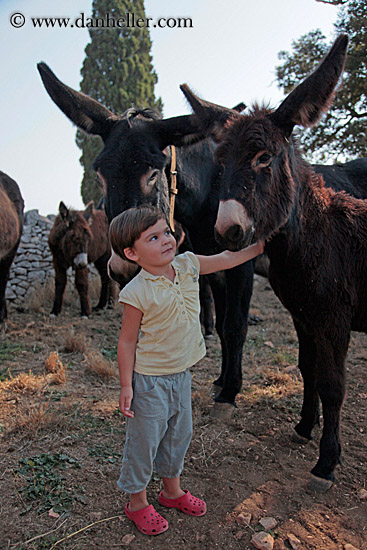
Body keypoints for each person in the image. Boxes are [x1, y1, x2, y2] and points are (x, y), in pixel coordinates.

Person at [109, 205, 264, 536]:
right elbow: (126, 343)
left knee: (179, 435)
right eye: (153, 237)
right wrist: (126, 386)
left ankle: (171, 491)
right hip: (149, 382)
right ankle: (137, 502)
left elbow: (224, 259)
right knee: (144, 442)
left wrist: (257, 247)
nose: (166, 240)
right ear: (131, 253)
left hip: (181, 376)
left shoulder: (188, 264)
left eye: (166, 232)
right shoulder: (136, 293)